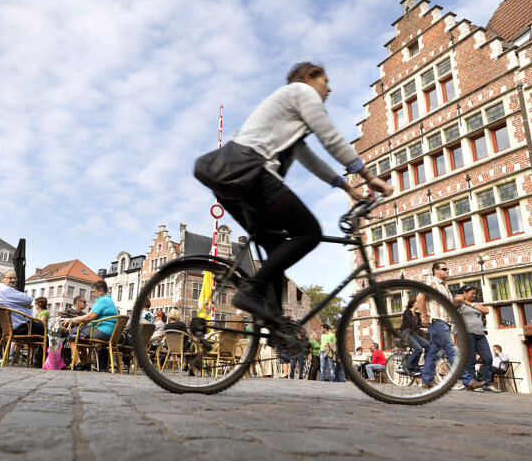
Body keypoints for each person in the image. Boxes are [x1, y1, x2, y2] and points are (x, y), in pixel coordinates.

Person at [194, 62, 393, 340]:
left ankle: (274, 321)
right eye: (326, 81)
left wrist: (347, 187)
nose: (329, 88)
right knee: (310, 233)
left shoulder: (288, 116)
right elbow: (329, 136)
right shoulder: (302, 91)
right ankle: (250, 292)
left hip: (227, 177)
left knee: (274, 245)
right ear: (309, 77)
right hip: (251, 170)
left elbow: (309, 159)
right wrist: (367, 174)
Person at [416, 262, 457, 389]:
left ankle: (427, 380)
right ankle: (467, 378)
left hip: (445, 322)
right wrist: (424, 316)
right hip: (437, 322)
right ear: (435, 271)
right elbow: (420, 297)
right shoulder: (431, 282)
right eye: (444, 269)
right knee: (451, 349)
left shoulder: (444, 286)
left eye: (447, 269)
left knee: (433, 353)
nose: (447, 271)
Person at [61, 279, 118, 370]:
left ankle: (77, 362)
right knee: (82, 335)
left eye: (94, 292)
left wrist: (71, 320)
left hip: (103, 332)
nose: (93, 294)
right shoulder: (109, 301)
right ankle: (86, 362)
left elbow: (88, 317)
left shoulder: (102, 300)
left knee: (70, 333)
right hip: (111, 333)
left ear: (101, 291)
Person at [0, 271, 46, 364]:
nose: (13, 280)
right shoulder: (7, 290)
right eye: (10, 278)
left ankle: (39, 359)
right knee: (45, 328)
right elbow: (29, 299)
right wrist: (23, 304)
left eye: (15, 278)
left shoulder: (1, 291)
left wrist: (20, 304)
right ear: (2, 279)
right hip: (21, 326)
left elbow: (25, 301)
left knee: (41, 327)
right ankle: (43, 360)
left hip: (13, 327)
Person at [398, 298, 426, 376]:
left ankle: (414, 365)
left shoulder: (417, 314)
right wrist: (420, 328)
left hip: (412, 334)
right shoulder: (407, 312)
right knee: (419, 349)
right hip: (405, 333)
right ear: (413, 303)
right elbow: (411, 322)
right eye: (418, 302)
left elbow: (420, 324)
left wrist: (427, 328)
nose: (419, 304)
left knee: (427, 345)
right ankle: (406, 366)